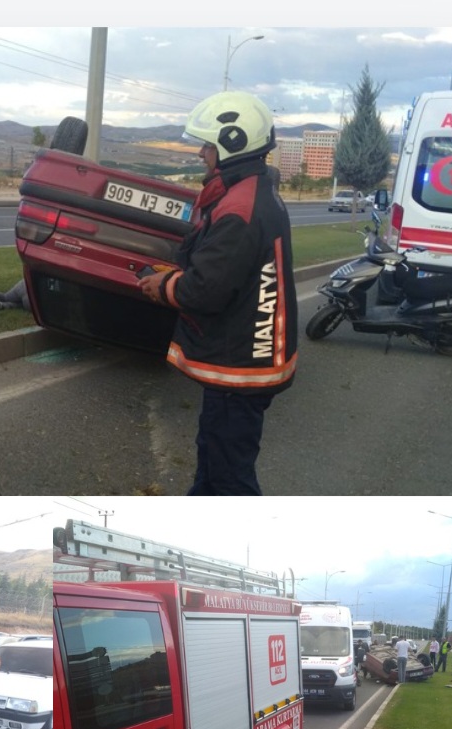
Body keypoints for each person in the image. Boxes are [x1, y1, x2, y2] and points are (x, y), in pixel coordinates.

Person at [136, 91, 298, 495]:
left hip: (242, 363)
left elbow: (205, 290)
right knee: (215, 454)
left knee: (230, 476)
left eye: (207, 145)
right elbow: (227, 269)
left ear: (232, 142)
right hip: (244, 358)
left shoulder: (239, 208)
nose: (201, 154)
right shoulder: (252, 192)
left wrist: (164, 285)